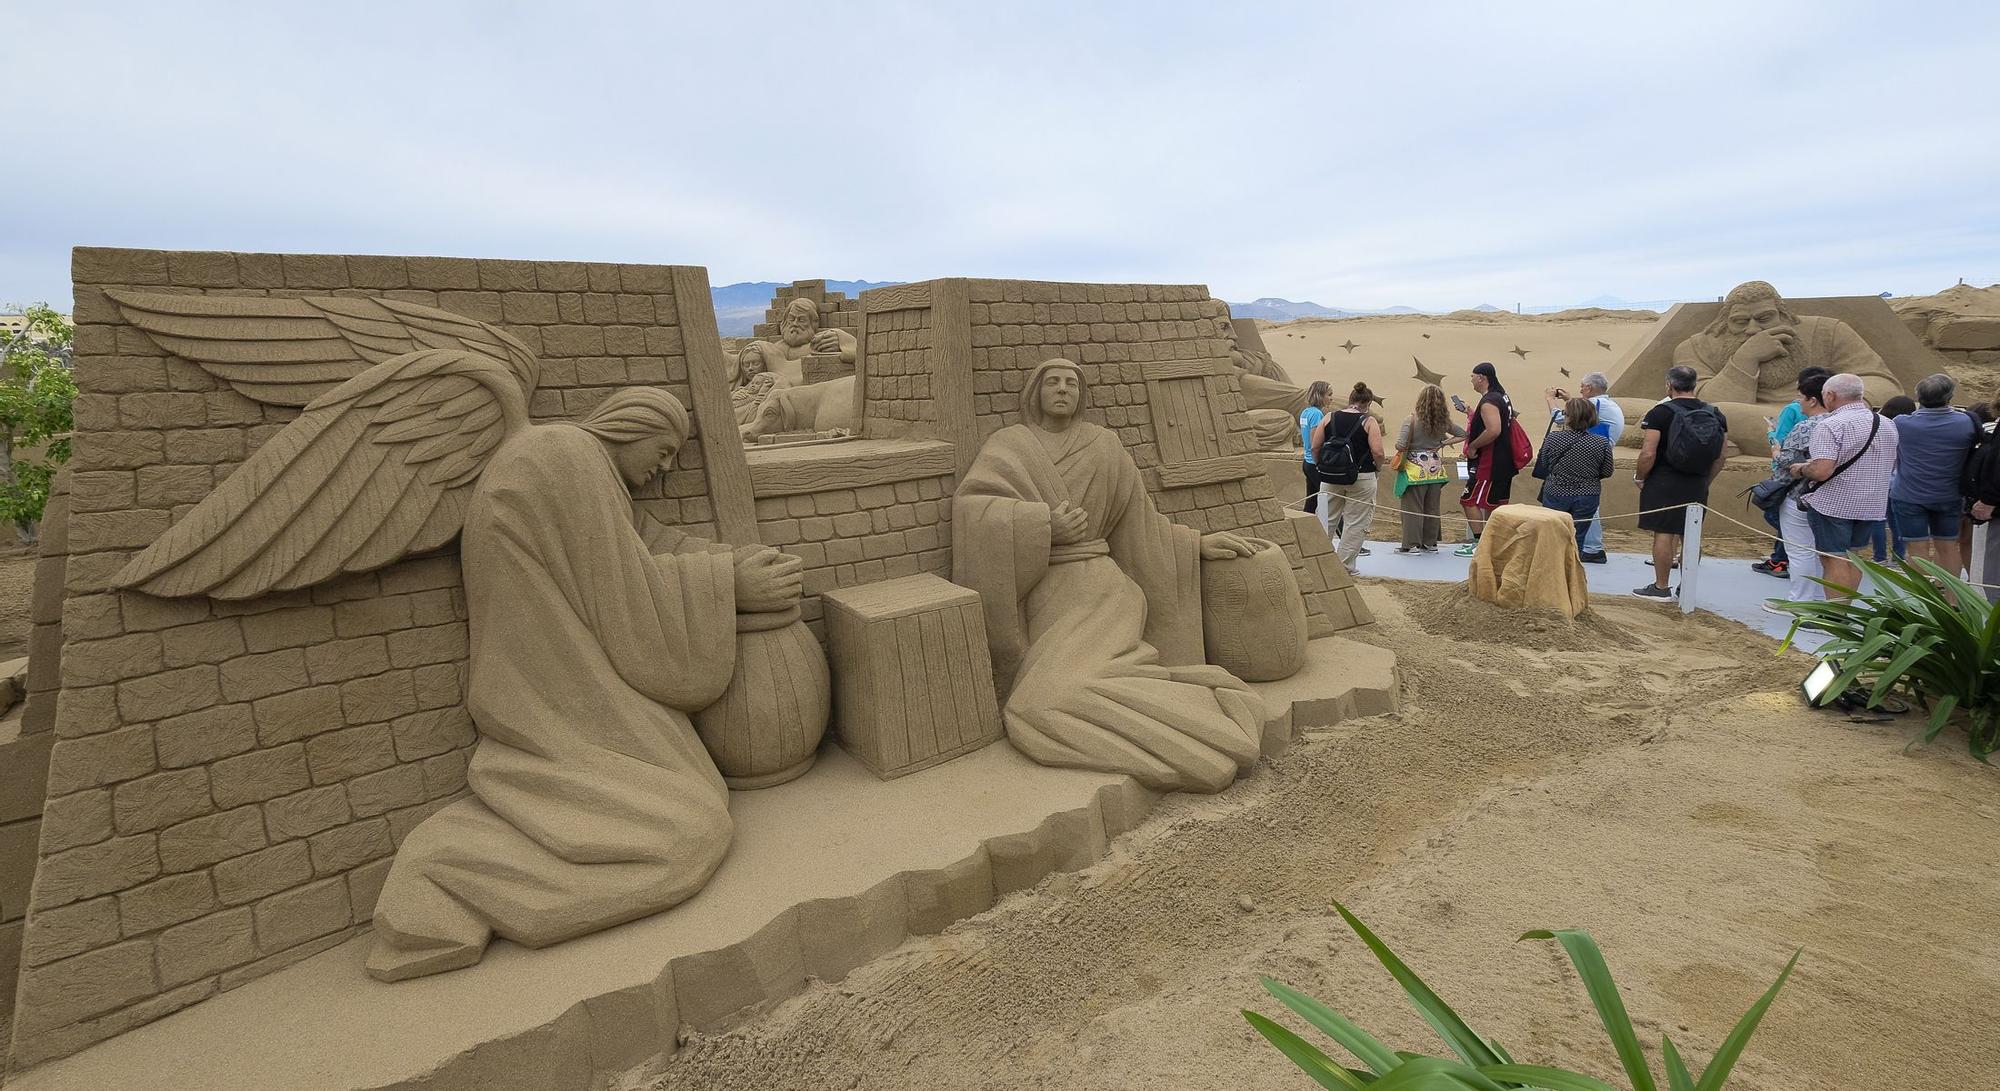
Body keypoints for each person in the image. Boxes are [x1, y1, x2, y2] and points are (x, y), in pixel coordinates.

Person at [368, 389, 804, 980]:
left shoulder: (583, 467)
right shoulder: (564, 454)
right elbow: (627, 595)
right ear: (632, 426)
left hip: (571, 680)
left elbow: (645, 546)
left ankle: (458, 870)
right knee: (688, 838)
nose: (668, 466)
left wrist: (734, 563)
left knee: (690, 807)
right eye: (665, 448)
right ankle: (445, 871)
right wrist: (729, 584)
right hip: (552, 695)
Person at [952, 359, 1265, 792]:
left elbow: (1140, 521)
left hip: (1102, 590)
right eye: (1053, 382)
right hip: (1045, 593)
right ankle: (1202, 720)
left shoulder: (1103, 446)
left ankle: (1205, 744)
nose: (1063, 389)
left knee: (1038, 703)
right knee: (1045, 702)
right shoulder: (1008, 446)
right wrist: (1043, 525)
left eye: (1072, 384)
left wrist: (1195, 544)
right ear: (1035, 392)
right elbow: (974, 511)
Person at [1790, 372, 1899, 601]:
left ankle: (1835, 616)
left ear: (1830, 395)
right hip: (1872, 502)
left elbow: (1821, 471)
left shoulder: (1832, 425)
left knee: (1833, 558)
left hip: (1835, 501)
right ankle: (1846, 609)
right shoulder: (1887, 424)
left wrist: (1802, 469)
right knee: (1854, 556)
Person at [1633, 365, 1728, 600]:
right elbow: (1722, 456)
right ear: (1694, 385)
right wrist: (1706, 480)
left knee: (1664, 533)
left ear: (1670, 385)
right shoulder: (1715, 413)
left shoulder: (1660, 413)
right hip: (1697, 481)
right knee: (1691, 535)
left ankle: (1661, 586)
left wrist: (1641, 476)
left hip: (1665, 480)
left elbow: (1648, 452)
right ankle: (1687, 587)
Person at [1889, 374, 1979, 577]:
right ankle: (1953, 601)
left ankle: (1922, 602)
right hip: (1949, 494)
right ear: (1950, 396)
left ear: (1919, 398)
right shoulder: (1966, 422)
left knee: (1916, 551)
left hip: (1909, 495)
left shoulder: (1902, 423)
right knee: (1948, 548)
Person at [1751, 365, 1832, 578]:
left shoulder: (1805, 425)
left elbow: (1785, 459)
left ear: (1812, 399)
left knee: (1800, 549)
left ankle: (1800, 595)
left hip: (1799, 492)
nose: (1798, 402)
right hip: (1834, 495)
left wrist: (1776, 448)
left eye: (1801, 397)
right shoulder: (1846, 422)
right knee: (1825, 552)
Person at [1542, 371, 1624, 561]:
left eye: (1582, 387)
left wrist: (1550, 400)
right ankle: (1589, 549)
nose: (1580, 390)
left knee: (1562, 525)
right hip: (1593, 461)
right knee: (1587, 513)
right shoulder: (1607, 404)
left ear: (1589, 388)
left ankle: (1590, 549)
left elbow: (1560, 418)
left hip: (1580, 459)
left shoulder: (1595, 405)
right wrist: (1569, 399)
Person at [1312, 382, 1387, 570]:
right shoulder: (1368, 421)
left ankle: (1319, 562)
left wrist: (1320, 465)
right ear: (1368, 404)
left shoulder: (1330, 417)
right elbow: (1378, 452)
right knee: (1355, 522)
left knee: (1325, 520)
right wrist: (1377, 469)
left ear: (1350, 400)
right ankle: (1345, 566)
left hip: (1330, 475)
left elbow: (1315, 446)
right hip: (1361, 476)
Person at [1534, 398, 1615, 556]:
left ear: (1569, 417)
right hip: (1587, 494)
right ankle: (1572, 573)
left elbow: (1544, 463)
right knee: (1577, 539)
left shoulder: (1553, 438)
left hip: (1556, 492)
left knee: (1553, 537)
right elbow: (1607, 471)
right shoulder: (1601, 442)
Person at [1393, 383, 1465, 553]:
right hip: (1435, 469)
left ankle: (1411, 544)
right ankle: (1430, 543)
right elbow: (1463, 434)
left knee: (1413, 507)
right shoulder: (1443, 422)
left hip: (1414, 470)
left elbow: (1400, 445)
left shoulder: (1410, 419)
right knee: (1432, 507)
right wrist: (1442, 443)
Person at [1457, 361, 1518, 557]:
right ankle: (1491, 543)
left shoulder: (1490, 400)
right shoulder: (1502, 396)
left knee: (1469, 499)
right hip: (1501, 461)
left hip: (1488, 462)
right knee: (1494, 504)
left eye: (1473, 376)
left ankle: (1480, 542)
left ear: (1482, 377)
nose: (1471, 380)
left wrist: (1474, 445)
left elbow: (1494, 429)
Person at [735, 297, 857, 386]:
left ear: (813, 322)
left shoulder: (820, 344)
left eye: (801, 319)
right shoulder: (772, 349)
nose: (795, 324)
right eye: (791, 318)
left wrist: (841, 338)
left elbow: (858, 355)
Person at [1298, 380, 1333, 521]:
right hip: (1314, 463)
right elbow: (1315, 443)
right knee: (1330, 502)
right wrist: (1320, 463)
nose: (1331, 398)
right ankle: (1343, 536)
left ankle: (1304, 532)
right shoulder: (1317, 414)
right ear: (1320, 395)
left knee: (1311, 503)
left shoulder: (1305, 412)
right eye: (1329, 395)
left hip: (1307, 462)